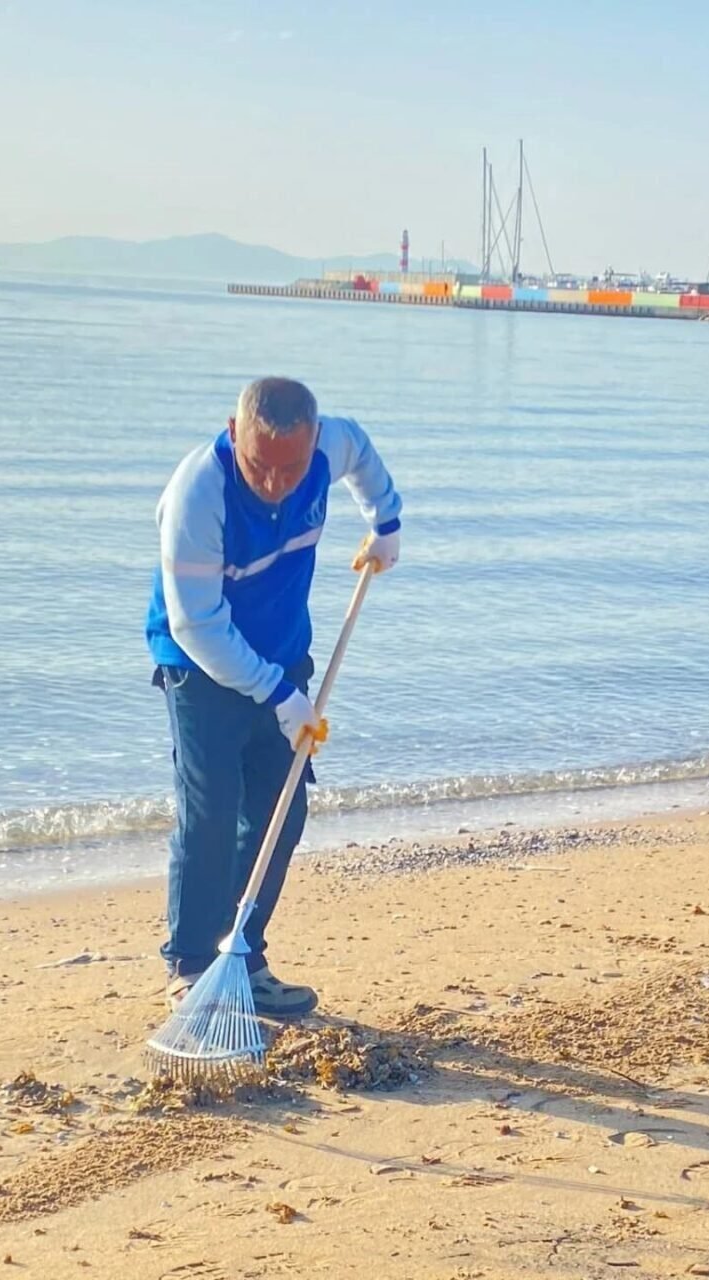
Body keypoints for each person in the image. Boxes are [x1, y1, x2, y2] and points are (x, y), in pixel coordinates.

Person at [145, 377, 402, 1017]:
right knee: (210, 813)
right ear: (235, 434)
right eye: (261, 465)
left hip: (284, 656)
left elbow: (363, 453)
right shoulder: (198, 494)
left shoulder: (326, 447)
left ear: (313, 443)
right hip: (201, 667)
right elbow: (196, 624)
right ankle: (191, 966)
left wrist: (386, 521)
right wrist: (279, 696)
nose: (276, 484)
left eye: (291, 468)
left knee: (280, 813)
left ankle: (243, 957)